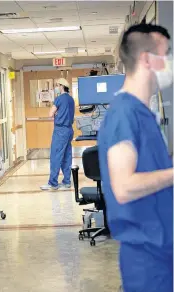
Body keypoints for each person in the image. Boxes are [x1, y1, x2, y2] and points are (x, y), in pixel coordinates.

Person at [98, 23, 173, 292]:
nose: (169, 63)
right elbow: (124, 187)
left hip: (162, 250)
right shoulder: (123, 115)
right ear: (146, 59)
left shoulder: (143, 114)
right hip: (147, 260)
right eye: (166, 54)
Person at [41, 78, 75, 191]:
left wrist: (56, 114)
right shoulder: (71, 99)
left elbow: (50, 114)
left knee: (56, 156)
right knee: (66, 156)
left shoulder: (59, 99)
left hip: (60, 131)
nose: (56, 88)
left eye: (57, 85)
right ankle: (67, 181)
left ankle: (53, 183)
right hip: (69, 130)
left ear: (61, 86)